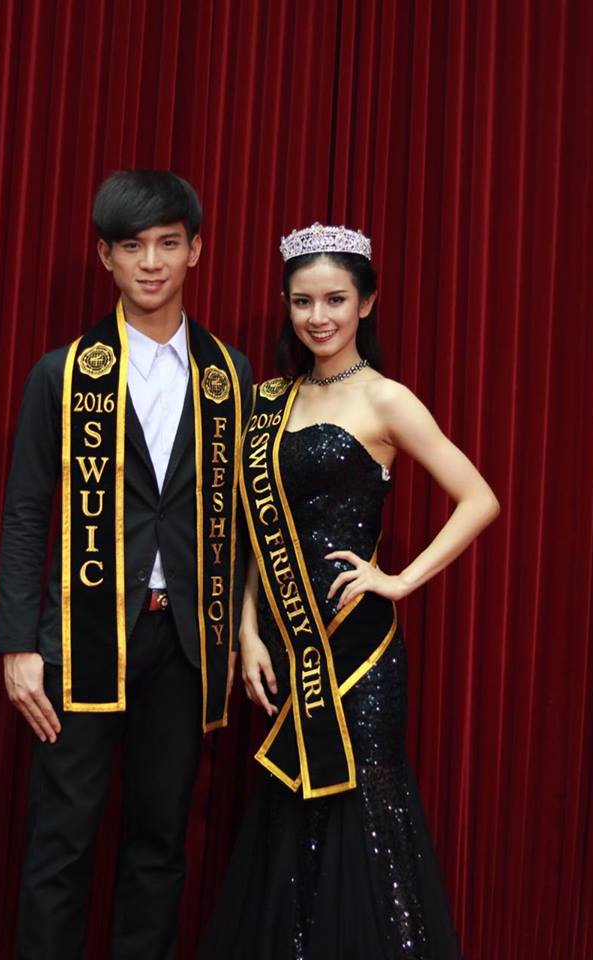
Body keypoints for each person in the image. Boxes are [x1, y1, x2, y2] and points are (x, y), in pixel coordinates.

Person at [198, 223, 499, 959]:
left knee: (365, 820)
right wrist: (245, 632)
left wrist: (397, 580)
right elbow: (249, 530)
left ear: (366, 302)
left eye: (335, 299)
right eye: (302, 301)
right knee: (292, 820)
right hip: (284, 646)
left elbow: (479, 498)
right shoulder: (268, 400)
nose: (318, 316)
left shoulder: (387, 399)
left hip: (358, 651)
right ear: (286, 305)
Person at [0, 169, 252, 959]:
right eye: (132, 246)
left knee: (160, 840)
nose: (151, 263)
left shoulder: (230, 377)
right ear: (106, 256)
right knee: (60, 841)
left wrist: (237, 631)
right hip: (81, 639)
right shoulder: (63, 373)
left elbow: (242, 521)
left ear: (195, 251)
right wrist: (18, 645)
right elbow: (26, 511)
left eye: (168, 244)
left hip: (184, 643)